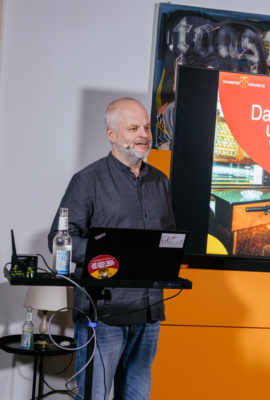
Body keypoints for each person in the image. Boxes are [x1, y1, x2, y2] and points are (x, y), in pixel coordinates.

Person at [48, 98, 175, 399]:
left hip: (148, 312)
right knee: (95, 395)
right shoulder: (87, 181)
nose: (144, 134)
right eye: (133, 128)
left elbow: (168, 235)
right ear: (112, 135)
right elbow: (59, 237)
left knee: (137, 397)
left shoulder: (161, 182)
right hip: (102, 314)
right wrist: (108, 258)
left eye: (146, 127)